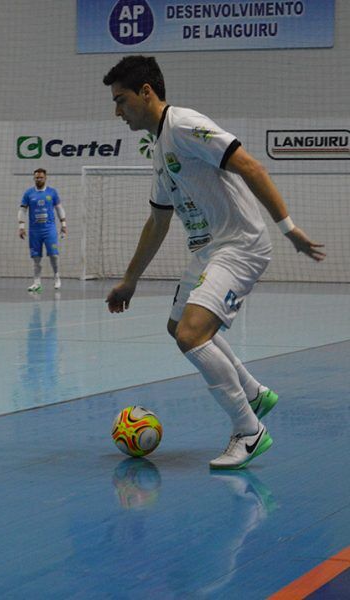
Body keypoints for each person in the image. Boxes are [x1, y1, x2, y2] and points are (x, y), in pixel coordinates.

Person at [103, 56, 325, 469]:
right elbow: (157, 221)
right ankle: (255, 393)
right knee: (176, 328)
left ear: (146, 92)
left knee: (191, 334)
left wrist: (288, 227)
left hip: (240, 245)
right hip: (209, 250)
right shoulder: (157, 148)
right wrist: (129, 281)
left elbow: (249, 165)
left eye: (121, 100)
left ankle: (248, 430)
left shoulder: (184, 125)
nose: (117, 111)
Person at [18, 168, 67, 292]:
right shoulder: (28, 193)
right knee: (36, 258)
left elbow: (59, 208)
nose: (39, 179)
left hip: (49, 229)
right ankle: (37, 282)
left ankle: (56, 277)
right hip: (34, 231)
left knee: (54, 255)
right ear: (34, 178)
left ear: (45, 178)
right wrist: (21, 227)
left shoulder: (52, 193)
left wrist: (64, 224)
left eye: (41, 177)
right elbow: (22, 210)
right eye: (36, 177)